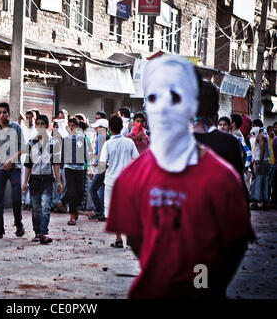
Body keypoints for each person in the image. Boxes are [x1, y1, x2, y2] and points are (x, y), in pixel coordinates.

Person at [106, 55, 255, 299]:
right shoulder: (131, 177)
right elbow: (136, 236)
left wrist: (204, 281)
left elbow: (234, 241)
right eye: (153, 98)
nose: (163, 107)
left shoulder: (221, 176)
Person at [0, 102, 25, 239]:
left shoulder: (16, 128)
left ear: (9, 114)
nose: (2, 115)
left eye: (4, 112)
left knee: (16, 198)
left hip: (15, 168)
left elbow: (23, 147)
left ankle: (18, 225)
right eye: (0, 112)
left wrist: (11, 160)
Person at [99, 116, 139, 247]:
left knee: (113, 210)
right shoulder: (129, 142)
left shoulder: (107, 144)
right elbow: (137, 160)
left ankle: (118, 239)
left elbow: (103, 163)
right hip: (128, 181)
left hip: (111, 181)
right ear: (122, 127)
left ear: (109, 129)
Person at [23, 115, 62, 244]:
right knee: (36, 207)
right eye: (38, 124)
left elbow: (56, 164)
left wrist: (58, 181)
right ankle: (37, 232)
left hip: (47, 179)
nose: (40, 127)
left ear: (47, 126)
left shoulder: (53, 143)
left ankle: (43, 233)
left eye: (42, 124)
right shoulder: (31, 143)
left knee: (45, 206)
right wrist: (24, 182)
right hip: (34, 179)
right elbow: (28, 164)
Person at [193, 82, 244, 177]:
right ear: (217, 108)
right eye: (221, 124)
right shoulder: (230, 142)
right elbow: (239, 186)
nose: (223, 126)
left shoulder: (177, 142)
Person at [57, 117, 89, 226]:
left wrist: (88, 167)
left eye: (73, 126)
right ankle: (72, 216)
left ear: (77, 127)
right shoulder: (65, 139)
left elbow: (86, 154)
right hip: (68, 168)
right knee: (72, 191)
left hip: (80, 168)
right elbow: (62, 155)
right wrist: (60, 170)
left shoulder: (82, 138)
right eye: (69, 126)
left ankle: (74, 211)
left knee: (80, 192)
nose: (71, 128)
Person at [88, 118, 109, 220]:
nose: (96, 129)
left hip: (103, 168)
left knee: (93, 190)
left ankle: (100, 211)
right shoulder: (103, 137)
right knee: (100, 190)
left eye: (98, 127)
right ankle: (101, 211)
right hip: (103, 167)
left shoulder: (102, 138)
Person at [250, 119, 271, 211]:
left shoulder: (260, 136)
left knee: (257, 181)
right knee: (265, 181)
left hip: (260, 161)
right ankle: (265, 202)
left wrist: (259, 163)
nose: (252, 127)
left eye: (253, 125)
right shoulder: (264, 135)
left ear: (257, 126)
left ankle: (255, 202)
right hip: (265, 161)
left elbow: (262, 150)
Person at [21, 111, 37, 211]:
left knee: (32, 181)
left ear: (34, 118)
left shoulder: (37, 131)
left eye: (30, 118)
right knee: (24, 181)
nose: (29, 120)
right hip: (23, 159)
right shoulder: (23, 130)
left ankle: (30, 201)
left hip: (35, 160)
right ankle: (24, 202)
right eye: (27, 117)